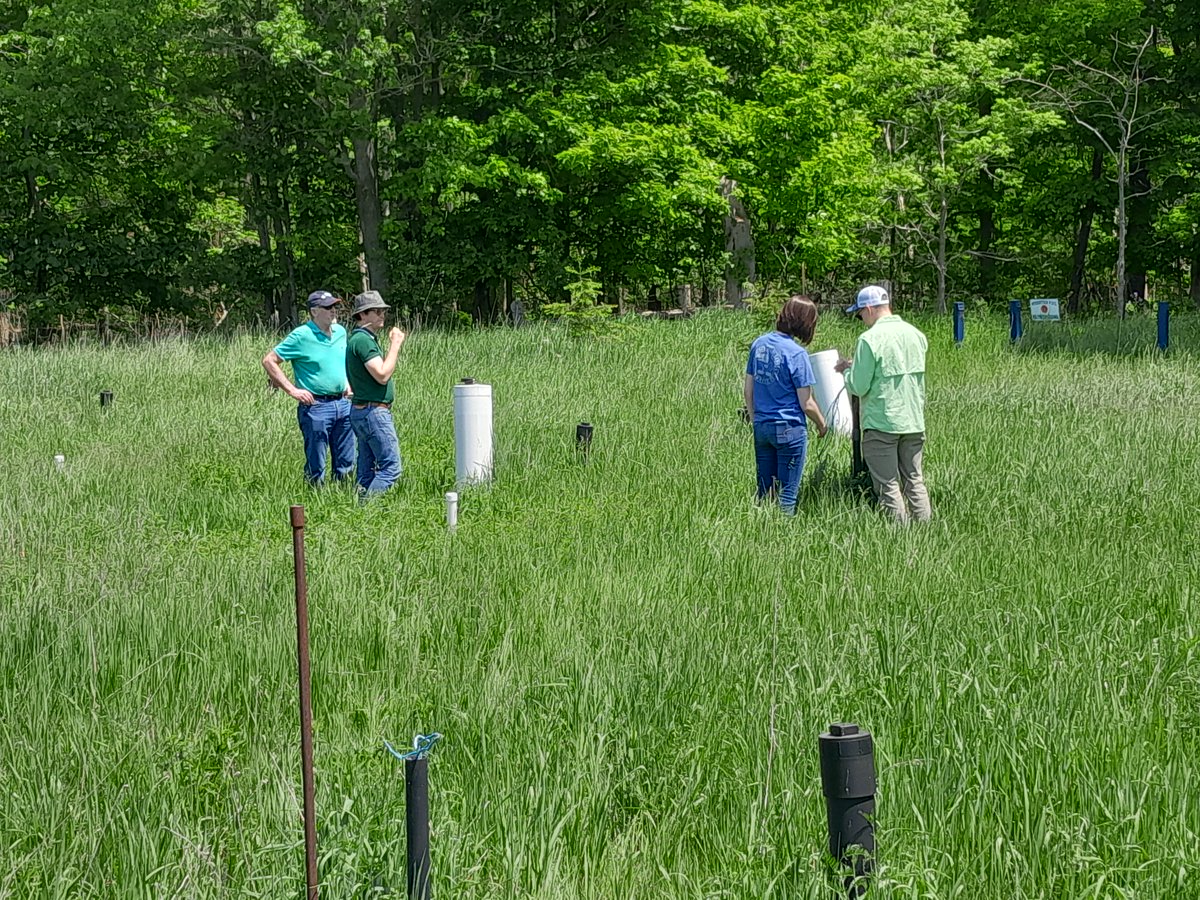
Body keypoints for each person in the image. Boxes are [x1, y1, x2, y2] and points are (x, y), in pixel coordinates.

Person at [835, 285, 931, 523]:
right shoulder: (916, 334)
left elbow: (859, 386)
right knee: (914, 480)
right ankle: (926, 531)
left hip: (881, 423)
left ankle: (899, 537)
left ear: (868, 309)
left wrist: (846, 372)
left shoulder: (869, 339)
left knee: (888, 485)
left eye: (860, 315)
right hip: (913, 421)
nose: (861, 320)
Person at [744, 295, 828, 515]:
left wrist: (755, 420)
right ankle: (784, 529)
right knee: (787, 496)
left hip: (762, 426)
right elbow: (806, 403)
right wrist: (822, 424)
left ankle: (763, 528)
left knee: (765, 492)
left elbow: (748, 391)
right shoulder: (797, 354)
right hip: (789, 429)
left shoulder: (759, 344)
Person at [261, 290, 355, 486]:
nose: (333, 311)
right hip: (316, 406)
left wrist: (346, 383)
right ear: (314, 311)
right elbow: (269, 360)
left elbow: (340, 361)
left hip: (343, 403)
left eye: (334, 306)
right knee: (316, 463)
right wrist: (292, 390)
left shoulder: (340, 332)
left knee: (346, 461)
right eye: (327, 307)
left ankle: (343, 496)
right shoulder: (301, 335)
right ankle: (315, 497)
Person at [345, 290, 405, 497]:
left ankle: (359, 506)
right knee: (391, 468)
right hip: (373, 412)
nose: (382, 315)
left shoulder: (361, 339)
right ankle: (369, 507)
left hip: (362, 411)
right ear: (362, 315)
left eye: (383, 311)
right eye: (376, 311)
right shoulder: (363, 340)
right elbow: (382, 374)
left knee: (367, 469)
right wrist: (395, 344)